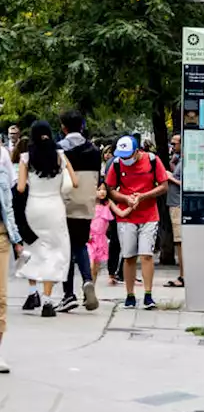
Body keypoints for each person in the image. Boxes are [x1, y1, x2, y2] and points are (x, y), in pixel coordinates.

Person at [17, 121, 79, 318]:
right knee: (54, 251)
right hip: (55, 207)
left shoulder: (25, 157)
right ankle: (48, 300)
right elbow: (75, 182)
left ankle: (32, 292)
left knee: (33, 249)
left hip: (34, 207)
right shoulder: (60, 156)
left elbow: (19, 188)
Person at [104, 134, 170, 310]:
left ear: (136, 151)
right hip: (126, 215)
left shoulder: (152, 160)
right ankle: (130, 295)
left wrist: (143, 196)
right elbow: (109, 189)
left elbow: (164, 186)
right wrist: (126, 198)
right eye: (121, 156)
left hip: (149, 215)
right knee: (128, 256)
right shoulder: (117, 164)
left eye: (128, 156)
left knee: (146, 255)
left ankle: (148, 295)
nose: (124, 159)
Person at [56, 110, 102, 312]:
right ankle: (87, 280)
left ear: (63, 127)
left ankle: (68, 294)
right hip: (87, 203)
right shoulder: (94, 150)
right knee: (81, 245)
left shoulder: (60, 150)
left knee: (65, 249)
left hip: (65, 203)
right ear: (82, 127)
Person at [0, 139, 23, 371]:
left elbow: (8, 202)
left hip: (0, 233)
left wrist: (15, 238)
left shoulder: (2, 155)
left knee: (0, 296)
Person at [89, 182, 122, 286]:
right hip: (89, 238)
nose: (102, 192)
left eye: (104, 189)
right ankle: (87, 285)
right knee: (90, 265)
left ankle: (90, 289)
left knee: (95, 268)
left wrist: (131, 207)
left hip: (101, 239)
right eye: (99, 189)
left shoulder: (108, 203)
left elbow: (120, 212)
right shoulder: (90, 203)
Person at [164, 133, 184, 288]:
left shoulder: (186, 161)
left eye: (174, 144)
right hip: (174, 203)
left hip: (178, 204)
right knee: (178, 241)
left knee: (180, 241)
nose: (172, 146)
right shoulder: (178, 160)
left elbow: (185, 183)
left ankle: (183, 275)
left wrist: (169, 177)